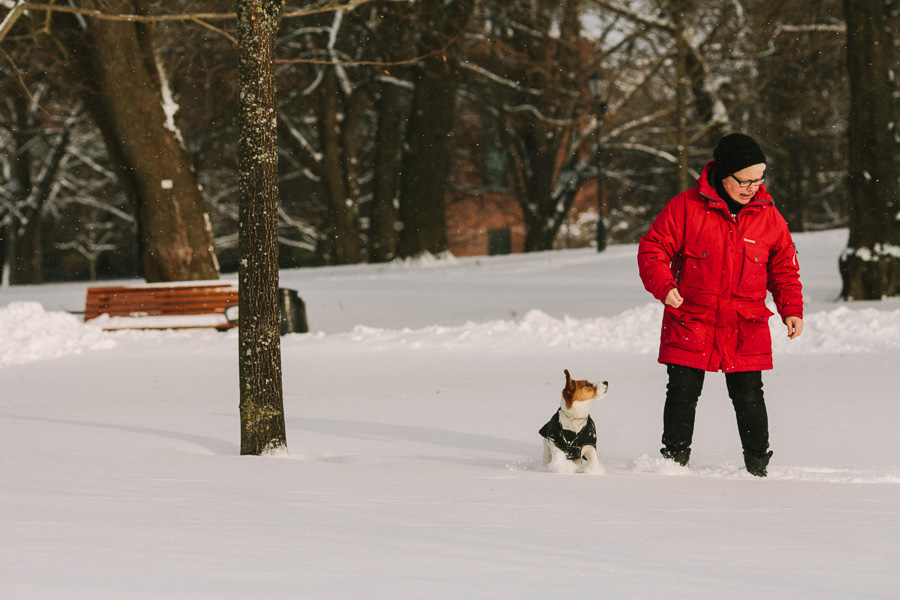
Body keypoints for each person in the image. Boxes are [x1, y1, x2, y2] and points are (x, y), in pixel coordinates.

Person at [637, 133, 804, 477]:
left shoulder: (769, 217)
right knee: (682, 392)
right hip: (691, 318)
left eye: (758, 180)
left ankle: (758, 467)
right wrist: (665, 286)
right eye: (744, 180)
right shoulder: (686, 207)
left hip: (745, 323)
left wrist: (791, 308)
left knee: (749, 396)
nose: (751, 188)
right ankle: (673, 463)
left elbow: (784, 268)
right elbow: (653, 250)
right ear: (723, 174)